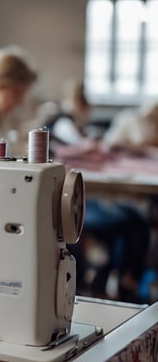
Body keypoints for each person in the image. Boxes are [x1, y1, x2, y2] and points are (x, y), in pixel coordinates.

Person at [48, 81, 152, 303]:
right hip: (67, 203)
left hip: (81, 196)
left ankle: (125, 279)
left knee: (136, 218)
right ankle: (116, 281)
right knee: (126, 221)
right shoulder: (63, 125)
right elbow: (81, 150)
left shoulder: (70, 126)